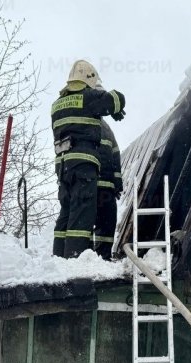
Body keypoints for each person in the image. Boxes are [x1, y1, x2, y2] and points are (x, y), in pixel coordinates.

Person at [52, 59, 126, 258]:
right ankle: (75, 259)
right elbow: (117, 98)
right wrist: (115, 108)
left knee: (66, 213)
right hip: (85, 167)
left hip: (64, 168)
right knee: (82, 214)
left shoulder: (57, 105)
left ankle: (59, 257)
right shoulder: (88, 99)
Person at [94, 117, 123, 260]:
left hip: (105, 188)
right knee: (90, 224)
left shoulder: (106, 129)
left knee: (107, 224)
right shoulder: (88, 124)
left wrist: (117, 182)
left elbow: (116, 154)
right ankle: (88, 258)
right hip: (91, 186)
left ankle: (103, 257)